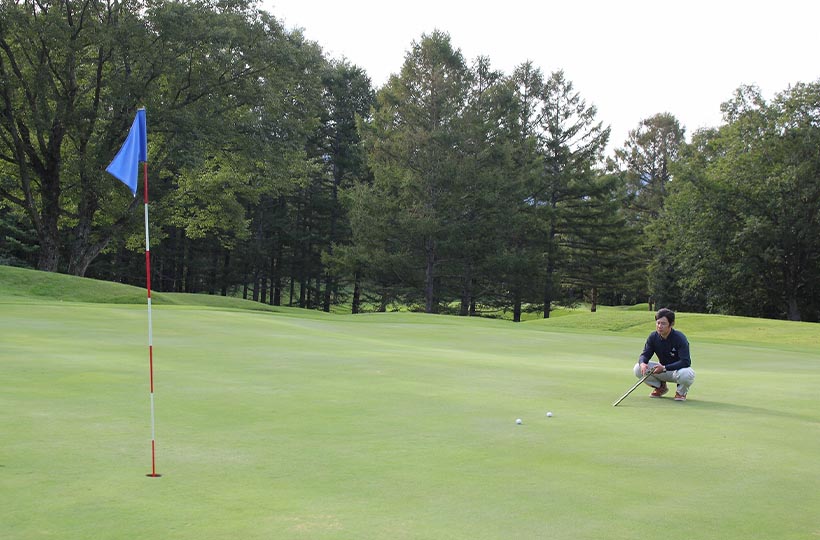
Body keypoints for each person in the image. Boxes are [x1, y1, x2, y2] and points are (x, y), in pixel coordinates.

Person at [634, 308, 695, 401]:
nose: (659, 326)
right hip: (661, 370)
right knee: (638, 368)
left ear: (672, 324)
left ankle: (681, 393)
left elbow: (686, 362)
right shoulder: (653, 337)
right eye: (658, 323)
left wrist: (664, 368)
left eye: (663, 323)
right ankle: (660, 387)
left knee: (686, 373)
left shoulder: (679, 338)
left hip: (677, 372)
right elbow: (645, 355)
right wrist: (642, 363)